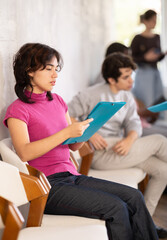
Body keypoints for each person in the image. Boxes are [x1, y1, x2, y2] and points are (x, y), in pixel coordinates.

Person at [2, 43, 159, 240]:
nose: (55, 75)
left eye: (56, 69)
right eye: (48, 69)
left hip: (71, 175)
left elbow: (72, 144)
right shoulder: (18, 109)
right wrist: (66, 132)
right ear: (29, 71)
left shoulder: (57, 101)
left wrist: (85, 132)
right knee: (117, 208)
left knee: (134, 197)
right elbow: (24, 152)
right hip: (48, 186)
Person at [68, 52, 167, 239]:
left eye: (131, 75)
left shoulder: (127, 96)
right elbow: (65, 115)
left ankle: (144, 224)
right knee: (160, 142)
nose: (131, 80)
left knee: (163, 171)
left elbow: (134, 124)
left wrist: (130, 139)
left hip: (120, 149)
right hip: (99, 154)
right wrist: (90, 133)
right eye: (125, 77)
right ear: (112, 79)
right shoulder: (90, 94)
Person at [131, 9, 167, 108]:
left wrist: (162, 55)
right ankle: (147, 121)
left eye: (156, 20)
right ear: (145, 21)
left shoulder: (157, 37)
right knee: (147, 99)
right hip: (143, 72)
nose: (154, 23)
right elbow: (132, 58)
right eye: (152, 20)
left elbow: (158, 58)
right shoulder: (137, 38)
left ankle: (157, 120)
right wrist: (145, 57)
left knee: (159, 98)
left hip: (155, 71)